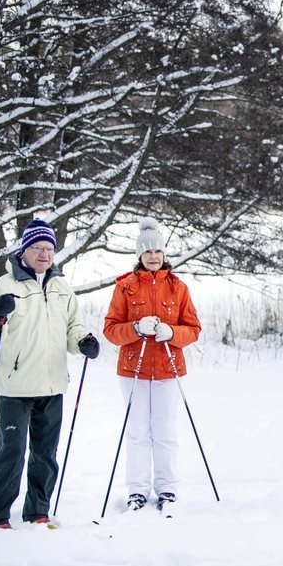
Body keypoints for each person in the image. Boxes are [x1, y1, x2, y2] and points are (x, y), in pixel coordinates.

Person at [0, 218, 100, 528]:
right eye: (37, 248)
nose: (44, 254)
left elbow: (73, 326)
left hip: (52, 383)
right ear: (24, 250)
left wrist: (83, 341)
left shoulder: (61, 286)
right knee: (12, 453)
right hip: (15, 386)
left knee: (45, 453)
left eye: (49, 249)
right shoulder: (3, 287)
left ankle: (37, 511)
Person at [103, 219, 201, 513]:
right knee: (137, 433)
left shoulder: (178, 287)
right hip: (133, 371)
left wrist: (172, 333)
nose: (154, 256)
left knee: (165, 431)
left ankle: (167, 488)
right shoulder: (125, 287)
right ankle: (137, 490)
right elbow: (110, 330)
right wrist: (136, 327)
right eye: (148, 252)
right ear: (139, 255)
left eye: (158, 250)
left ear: (164, 253)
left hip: (168, 371)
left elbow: (193, 329)